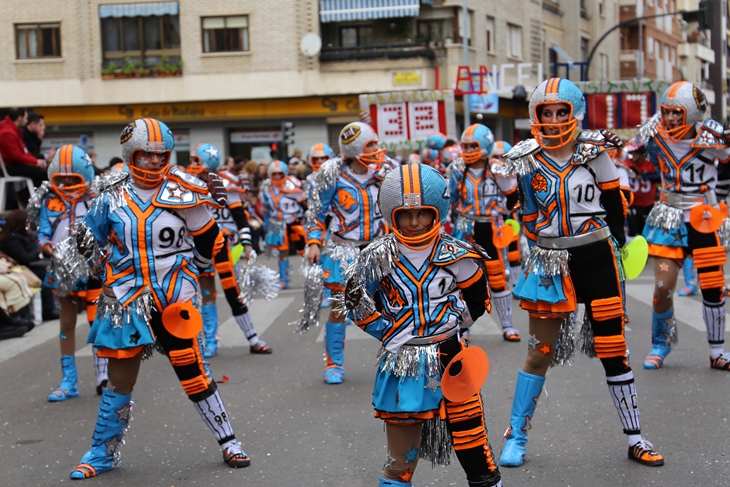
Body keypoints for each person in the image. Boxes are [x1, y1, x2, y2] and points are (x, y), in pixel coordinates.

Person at [60, 119, 250, 479]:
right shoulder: (110, 196)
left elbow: (210, 241)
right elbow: (88, 240)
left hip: (174, 298)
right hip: (128, 301)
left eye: (159, 155)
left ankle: (229, 442)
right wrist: (106, 273)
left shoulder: (184, 190)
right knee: (120, 380)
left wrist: (192, 270)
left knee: (193, 373)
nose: (152, 162)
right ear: (130, 155)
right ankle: (101, 453)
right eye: (144, 155)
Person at [499, 77, 663, 468]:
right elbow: (526, 211)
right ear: (535, 115)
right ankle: (516, 435)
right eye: (546, 112)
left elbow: (612, 200)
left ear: (575, 113)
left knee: (612, 350)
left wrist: (621, 246)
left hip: (596, 256)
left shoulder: (594, 151)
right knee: (539, 353)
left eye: (561, 112)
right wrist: (534, 231)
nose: (554, 120)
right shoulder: (523, 157)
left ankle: (636, 437)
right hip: (550, 261)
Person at [339, 162, 503, 487]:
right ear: (391, 214)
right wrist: (385, 332)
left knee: (476, 454)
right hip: (403, 362)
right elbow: (355, 302)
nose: (414, 222)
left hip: (452, 357)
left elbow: (479, 301)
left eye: (422, 213)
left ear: (436, 211)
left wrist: (456, 329)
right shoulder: (376, 257)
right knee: (399, 465)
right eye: (404, 214)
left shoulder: (457, 254)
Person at [639, 81, 730, 370]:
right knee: (663, 286)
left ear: (691, 114)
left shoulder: (711, 138)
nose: (670, 119)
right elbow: (631, 153)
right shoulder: (654, 134)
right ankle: (660, 344)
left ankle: (716, 351)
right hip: (668, 218)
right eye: (667, 112)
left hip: (704, 217)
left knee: (713, 285)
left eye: (677, 113)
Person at [306, 122, 393, 384]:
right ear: (356, 149)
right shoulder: (333, 176)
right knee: (340, 309)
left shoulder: (387, 171)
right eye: (371, 145)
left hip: (380, 248)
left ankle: (395, 359)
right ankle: (333, 364)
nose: (377, 149)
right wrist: (313, 242)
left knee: (391, 305)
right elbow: (317, 211)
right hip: (345, 249)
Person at [31, 145, 110, 400]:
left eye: (71, 178)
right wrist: (45, 245)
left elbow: (107, 231)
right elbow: (42, 232)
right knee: (66, 324)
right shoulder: (48, 200)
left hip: (93, 270)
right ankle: (69, 381)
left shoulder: (98, 198)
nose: (65, 183)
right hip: (62, 270)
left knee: (97, 323)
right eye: (61, 178)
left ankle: (103, 376)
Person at [186, 142, 271, 355]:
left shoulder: (225, 183)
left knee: (232, 290)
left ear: (207, 163)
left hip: (223, 244)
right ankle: (211, 340)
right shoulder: (185, 183)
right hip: (197, 245)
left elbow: (241, 220)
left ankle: (252, 338)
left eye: (196, 160)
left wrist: (248, 245)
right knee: (206, 293)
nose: (191, 164)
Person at [448, 125, 521, 342]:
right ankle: (464, 326)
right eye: (466, 146)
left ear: (486, 146)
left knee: (498, 277)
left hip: (490, 226)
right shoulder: (457, 169)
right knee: (461, 278)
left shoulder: (498, 169)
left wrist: (509, 222)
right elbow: (449, 198)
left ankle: (507, 326)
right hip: (465, 226)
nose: (469, 150)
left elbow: (513, 198)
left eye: (474, 146)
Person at [0, 209, 58, 320]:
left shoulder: (23, 235)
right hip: (18, 267)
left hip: (23, 266)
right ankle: (47, 310)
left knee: (49, 270)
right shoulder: (11, 238)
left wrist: (31, 238)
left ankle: (50, 308)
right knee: (46, 274)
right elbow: (23, 258)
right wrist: (38, 251)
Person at [261, 160, 307, 289]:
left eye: (280, 174)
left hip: (294, 222)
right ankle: (283, 280)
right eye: (274, 174)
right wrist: (266, 225)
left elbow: (305, 202)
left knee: (305, 251)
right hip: (277, 223)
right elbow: (266, 209)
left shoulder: (294, 184)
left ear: (285, 173)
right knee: (282, 252)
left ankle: (315, 277)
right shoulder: (267, 188)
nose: (277, 177)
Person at [0, 107, 48, 189]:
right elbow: (16, 155)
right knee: (44, 173)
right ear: (19, 118)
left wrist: (36, 162)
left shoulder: (13, 130)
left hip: (13, 165)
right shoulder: (8, 133)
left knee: (42, 171)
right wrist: (36, 162)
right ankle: (29, 197)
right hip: (10, 167)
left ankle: (27, 196)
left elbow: (24, 153)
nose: (26, 121)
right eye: (26, 118)